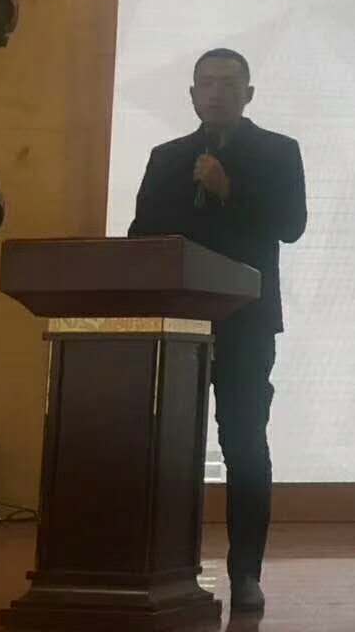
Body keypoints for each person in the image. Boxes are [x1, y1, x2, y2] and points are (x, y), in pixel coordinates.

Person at [128, 48, 306, 614]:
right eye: (206, 83)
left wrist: (229, 189)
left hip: (245, 324)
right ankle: (167, 569)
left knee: (245, 446)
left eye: (229, 84)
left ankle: (246, 573)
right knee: (169, 448)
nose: (216, 93)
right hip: (175, 323)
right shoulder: (167, 157)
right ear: (192, 95)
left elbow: (291, 226)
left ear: (248, 94)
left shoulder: (278, 152)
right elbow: (141, 238)